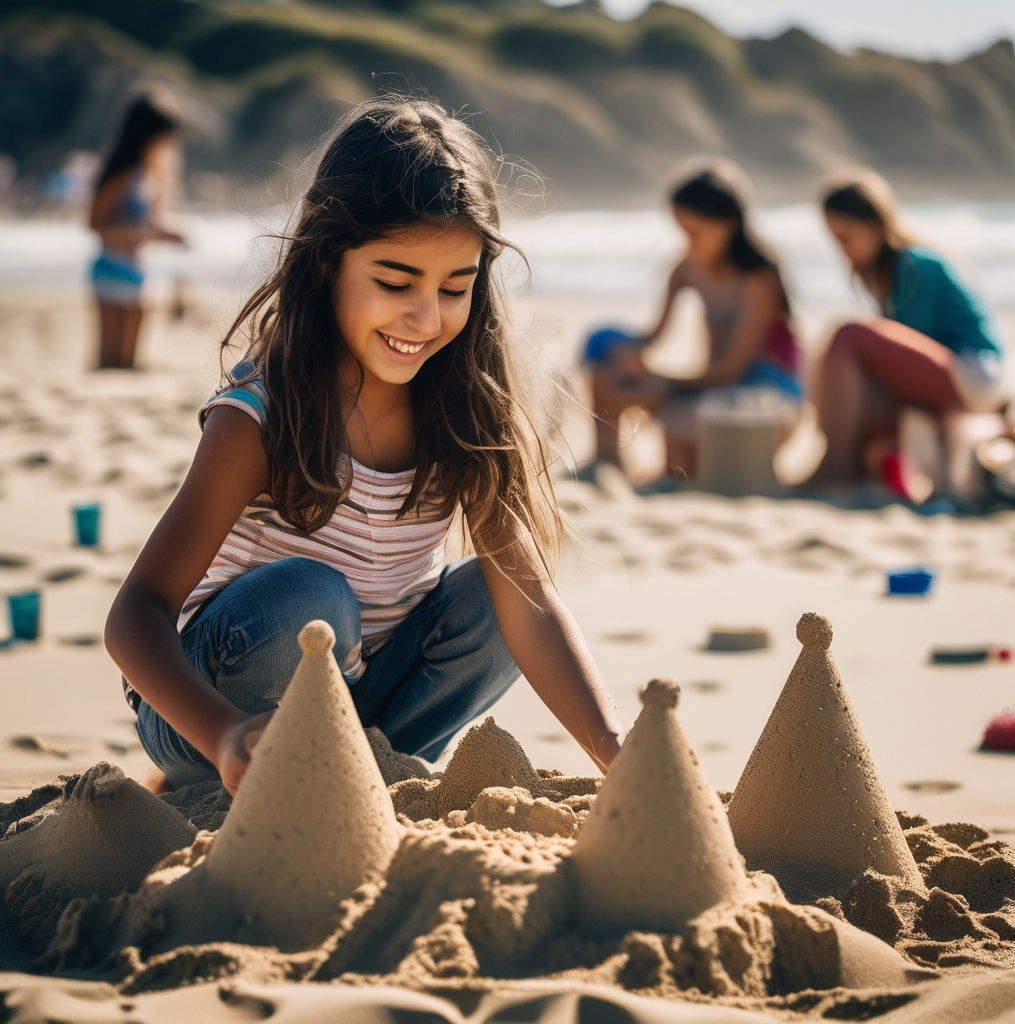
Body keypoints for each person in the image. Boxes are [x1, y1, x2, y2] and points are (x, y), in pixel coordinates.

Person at [104, 96, 626, 796]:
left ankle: (371, 770)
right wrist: (219, 730)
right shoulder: (261, 415)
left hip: (360, 705)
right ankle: (225, 766)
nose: (425, 316)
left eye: (455, 287)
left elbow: (531, 606)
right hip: (210, 702)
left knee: (494, 601)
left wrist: (618, 750)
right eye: (394, 281)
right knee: (312, 596)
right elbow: (136, 613)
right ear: (327, 261)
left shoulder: (463, 411)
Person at [589, 159, 801, 480]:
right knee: (603, 350)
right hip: (713, 385)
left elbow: (732, 369)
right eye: (682, 232)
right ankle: (607, 461)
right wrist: (618, 350)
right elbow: (653, 336)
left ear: (729, 224)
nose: (687, 243)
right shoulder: (686, 268)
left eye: (696, 233)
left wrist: (661, 378)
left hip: (764, 393)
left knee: (684, 457)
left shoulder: (758, 279)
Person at [808, 169, 1004, 490]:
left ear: (874, 226)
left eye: (845, 238)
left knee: (848, 336)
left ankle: (834, 466)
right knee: (838, 372)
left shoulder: (914, 264)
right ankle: (862, 464)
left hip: (973, 372)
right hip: (953, 373)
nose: (841, 250)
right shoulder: (887, 270)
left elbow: (911, 341)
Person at [89, 95, 186, 370]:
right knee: (109, 362)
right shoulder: (121, 173)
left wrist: (174, 235)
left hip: (141, 269)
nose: (168, 146)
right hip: (111, 267)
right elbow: (95, 224)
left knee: (128, 363)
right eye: (164, 138)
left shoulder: (153, 175)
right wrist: (140, 234)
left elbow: (152, 224)